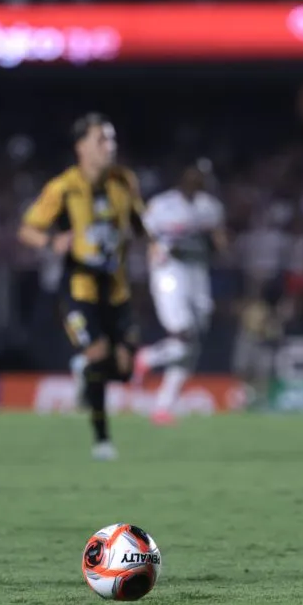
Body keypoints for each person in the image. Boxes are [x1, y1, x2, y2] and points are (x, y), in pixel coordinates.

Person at [18, 113, 145, 461]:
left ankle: (84, 370)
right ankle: (102, 439)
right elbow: (27, 230)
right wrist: (53, 242)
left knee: (124, 367)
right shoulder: (63, 187)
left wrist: (153, 244)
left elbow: (138, 219)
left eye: (112, 139)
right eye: (102, 140)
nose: (110, 147)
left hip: (117, 289)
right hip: (79, 289)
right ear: (81, 147)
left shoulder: (124, 181)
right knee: (100, 355)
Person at [132, 159, 226, 425]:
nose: (198, 180)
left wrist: (214, 243)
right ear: (183, 176)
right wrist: (158, 247)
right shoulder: (163, 205)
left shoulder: (210, 207)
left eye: (203, 176)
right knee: (182, 333)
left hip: (197, 274)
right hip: (169, 272)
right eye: (194, 175)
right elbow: (142, 233)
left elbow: (220, 242)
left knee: (193, 343)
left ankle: (162, 406)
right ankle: (147, 359)